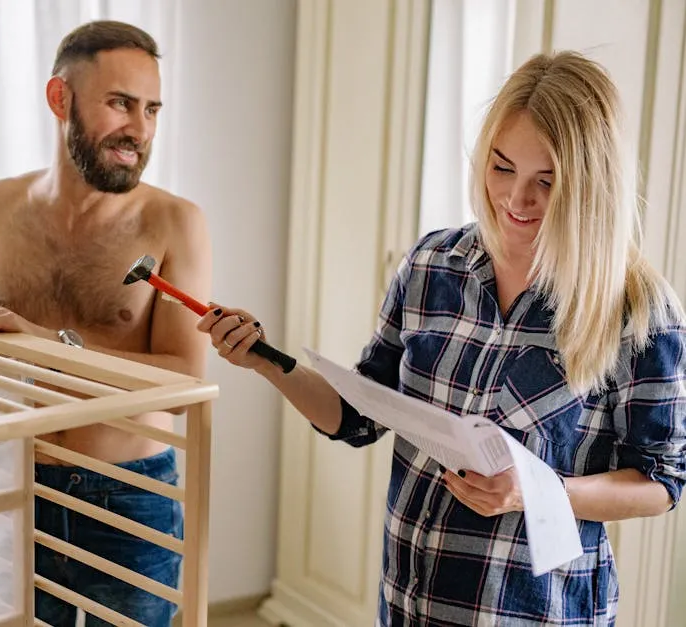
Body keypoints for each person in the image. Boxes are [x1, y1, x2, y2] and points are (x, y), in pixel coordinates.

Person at [198, 51, 686, 625]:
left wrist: (537, 492)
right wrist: (264, 360)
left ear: (590, 185)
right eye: (501, 168)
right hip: (410, 599)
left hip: (537, 611)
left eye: (546, 182)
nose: (515, 200)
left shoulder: (637, 310)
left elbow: (660, 482)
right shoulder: (432, 265)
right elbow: (358, 416)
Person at [0, 20, 211, 627]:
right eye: (120, 103)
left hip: (128, 500)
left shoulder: (176, 222)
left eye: (151, 109)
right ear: (59, 98)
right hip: (9, 484)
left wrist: (44, 342)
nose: (139, 130)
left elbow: (183, 379)